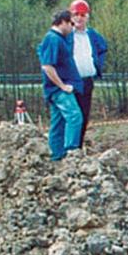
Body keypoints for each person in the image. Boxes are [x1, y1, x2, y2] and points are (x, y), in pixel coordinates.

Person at [37, 10, 83, 161]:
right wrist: (62, 86)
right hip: (58, 90)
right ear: (62, 22)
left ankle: (56, 156)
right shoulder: (52, 39)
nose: (73, 26)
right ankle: (71, 154)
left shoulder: (59, 39)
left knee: (58, 123)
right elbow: (47, 66)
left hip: (57, 89)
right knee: (75, 117)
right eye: (71, 23)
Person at [68, 0, 108, 148]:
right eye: (76, 14)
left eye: (83, 15)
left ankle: (78, 147)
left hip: (87, 82)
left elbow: (103, 48)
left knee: (84, 117)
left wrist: (97, 65)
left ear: (87, 17)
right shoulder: (66, 35)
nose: (79, 18)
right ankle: (68, 149)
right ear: (71, 16)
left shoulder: (92, 36)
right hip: (70, 83)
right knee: (72, 117)